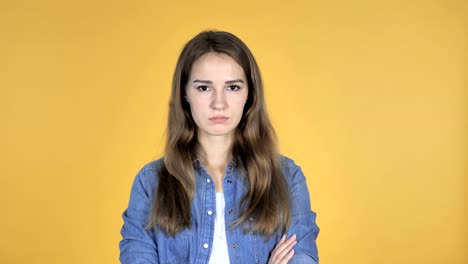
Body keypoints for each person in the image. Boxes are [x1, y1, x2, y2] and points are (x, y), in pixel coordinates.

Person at [119, 30, 319, 264]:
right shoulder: (149, 183)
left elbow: (302, 259)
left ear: (250, 94)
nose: (219, 103)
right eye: (204, 88)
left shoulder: (287, 177)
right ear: (185, 93)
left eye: (232, 87)